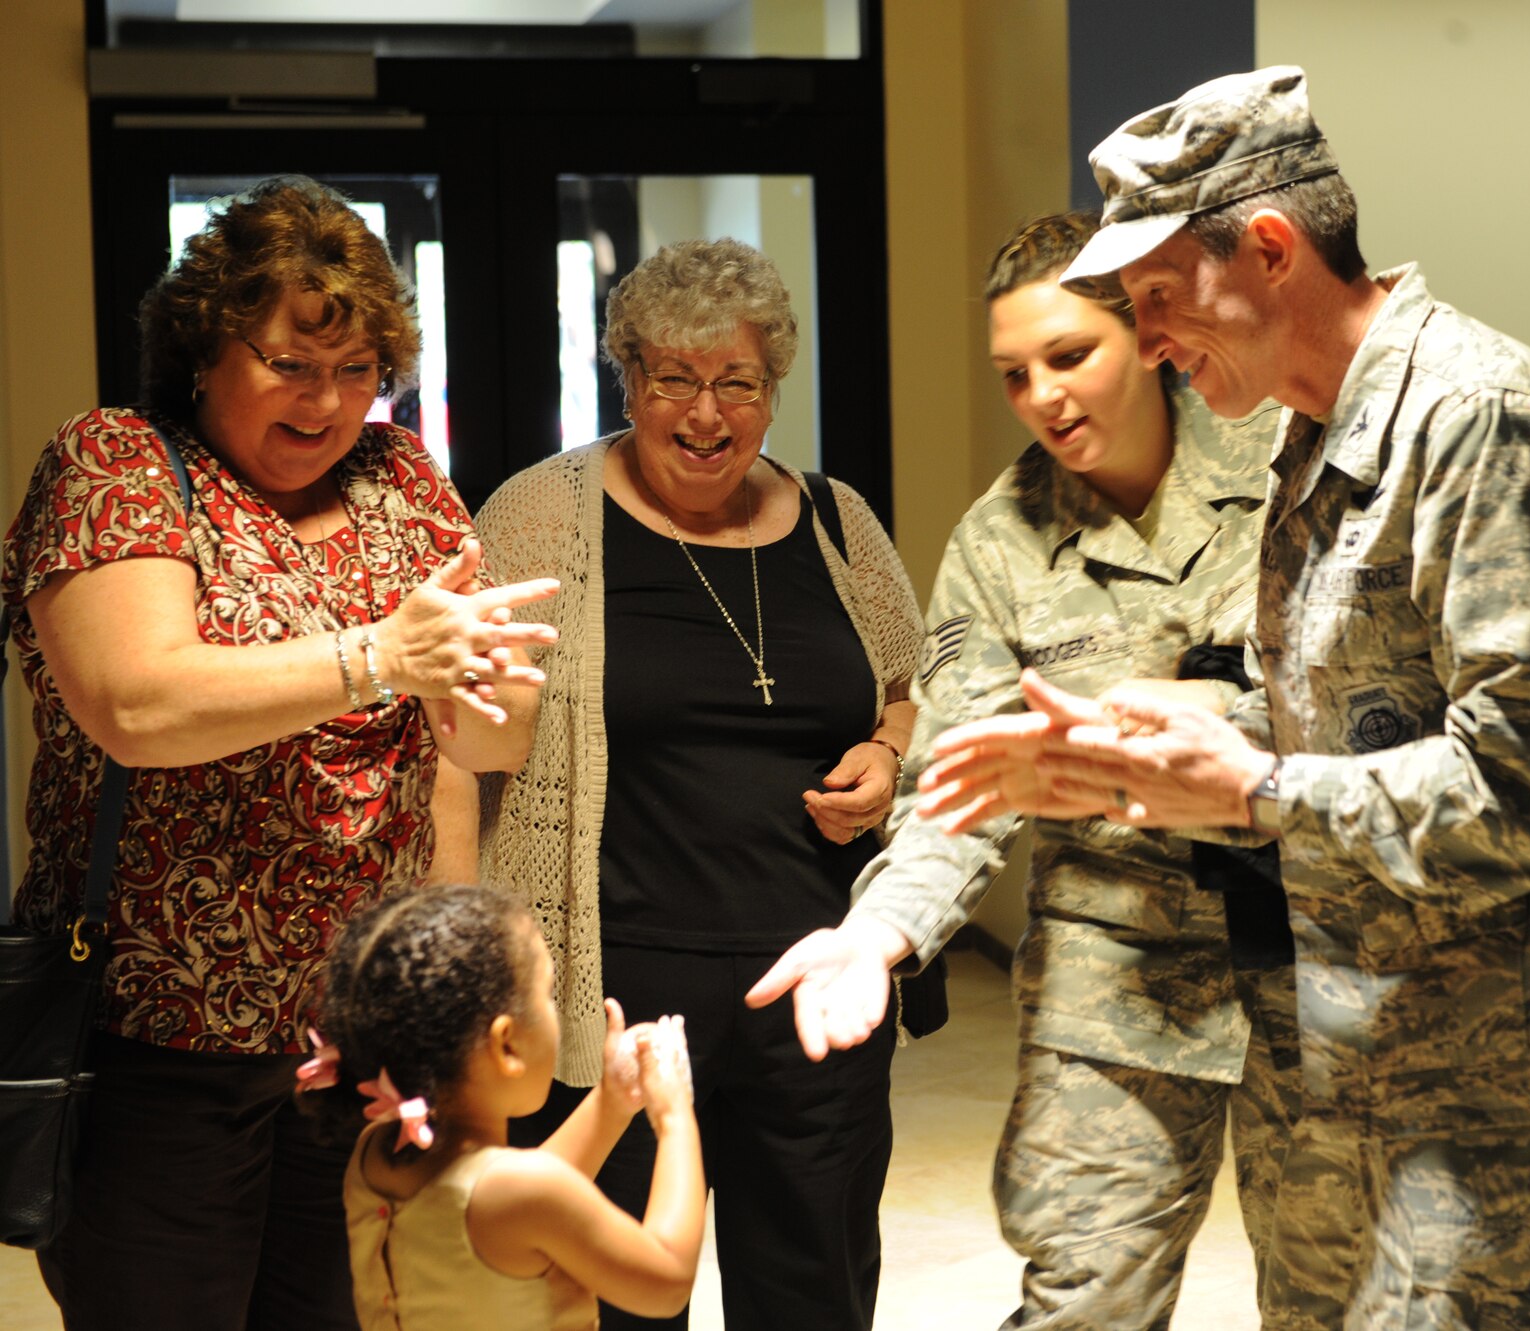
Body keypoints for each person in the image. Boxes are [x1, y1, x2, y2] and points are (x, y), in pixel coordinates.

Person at [916, 67, 1530, 1331]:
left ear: (1271, 250)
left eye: (1159, 301)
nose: (1156, 342)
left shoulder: (1478, 421)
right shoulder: (1314, 432)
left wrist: (1255, 786)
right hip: (1380, 1030)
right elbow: (1364, 721)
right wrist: (1169, 736)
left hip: (1521, 1055)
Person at [0, 175, 557, 1331]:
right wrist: (383, 656)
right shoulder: (119, 465)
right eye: (290, 364)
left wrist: (490, 696)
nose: (327, 401)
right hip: (156, 1039)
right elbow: (135, 703)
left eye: (357, 370)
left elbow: (470, 746)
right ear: (205, 349)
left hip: (355, 1042)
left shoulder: (400, 476)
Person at [749, 210, 1304, 1329]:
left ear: (1148, 338)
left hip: (1327, 956)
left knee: (1345, 1292)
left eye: (1068, 357)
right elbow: (958, 782)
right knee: (1082, 1297)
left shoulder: (1295, 461)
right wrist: (878, 933)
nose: (1043, 397)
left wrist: (1198, 721)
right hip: (1120, 967)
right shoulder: (998, 544)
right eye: (1014, 374)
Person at [474, 237, 925, 1330]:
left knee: (814, 1293)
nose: (704, 412)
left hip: (817, 991)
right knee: (615, 1299)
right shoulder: (538, 518)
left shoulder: (838, 522)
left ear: (773, 390)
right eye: (672, 378)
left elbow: (915, 684)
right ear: (625, 378)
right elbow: (465, 740)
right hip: (613, 996)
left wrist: (893, 748)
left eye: (737, 382)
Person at [305, 883, 704, 1329]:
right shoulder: (521, 1192)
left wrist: (610, 1102)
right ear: (507, 1044)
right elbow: (666, 1281)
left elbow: (518, 1199)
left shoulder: (376, 1152)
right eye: (548, 994)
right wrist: (674, 1114)